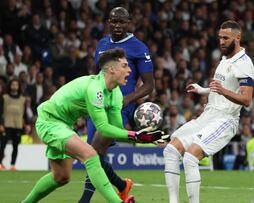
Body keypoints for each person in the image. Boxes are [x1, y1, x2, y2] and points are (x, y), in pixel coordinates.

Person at [21, 48, 165, 203]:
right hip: (49, 121)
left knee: (61, 176)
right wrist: (135, 136)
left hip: (65, 126)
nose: (130, 70)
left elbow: (116, 130)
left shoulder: (116, 94)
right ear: (111, 69)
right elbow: (102, 127)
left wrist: (142, 137)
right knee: (90, 154)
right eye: (124, 66)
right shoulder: (95, 89)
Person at [163, 20, 254, 203]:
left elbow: (246, 99)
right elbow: (220, 87)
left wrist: (222, 91)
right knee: (171, 150)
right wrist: (202, 90)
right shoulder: (224, 59)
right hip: (208, 116)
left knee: (190, 157)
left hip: (225, 120)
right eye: (220, 37)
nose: (221, 41)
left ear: (238, 38)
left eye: (225, 38)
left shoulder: (244, 63)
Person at [79, 7, 154, 203]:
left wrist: (128, 99)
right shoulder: (102, 44)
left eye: (122, 22)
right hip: (96, 104)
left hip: (120, 108)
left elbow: (149, 85)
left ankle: (84, 200)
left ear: (129, 23)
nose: (117, 25)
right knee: (92, 153)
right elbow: (96, 75)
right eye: (114, 21)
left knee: (94, 152)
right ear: (108, 22)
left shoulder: (139, 48)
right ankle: (121, 185)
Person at [0, 79, 30, 171]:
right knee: (2, 145)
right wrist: (1, 124)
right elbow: (0, 112)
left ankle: (13, 165)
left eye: (16, 85)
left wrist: (27, 124)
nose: (14, 86)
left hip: (18, 126)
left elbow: (24, 113)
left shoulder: (22, 99)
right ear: (9, 86)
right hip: (6, 125)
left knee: (15, 146)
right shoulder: (4, 98)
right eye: (13, 84)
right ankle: (0, 164)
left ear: (19, 87)